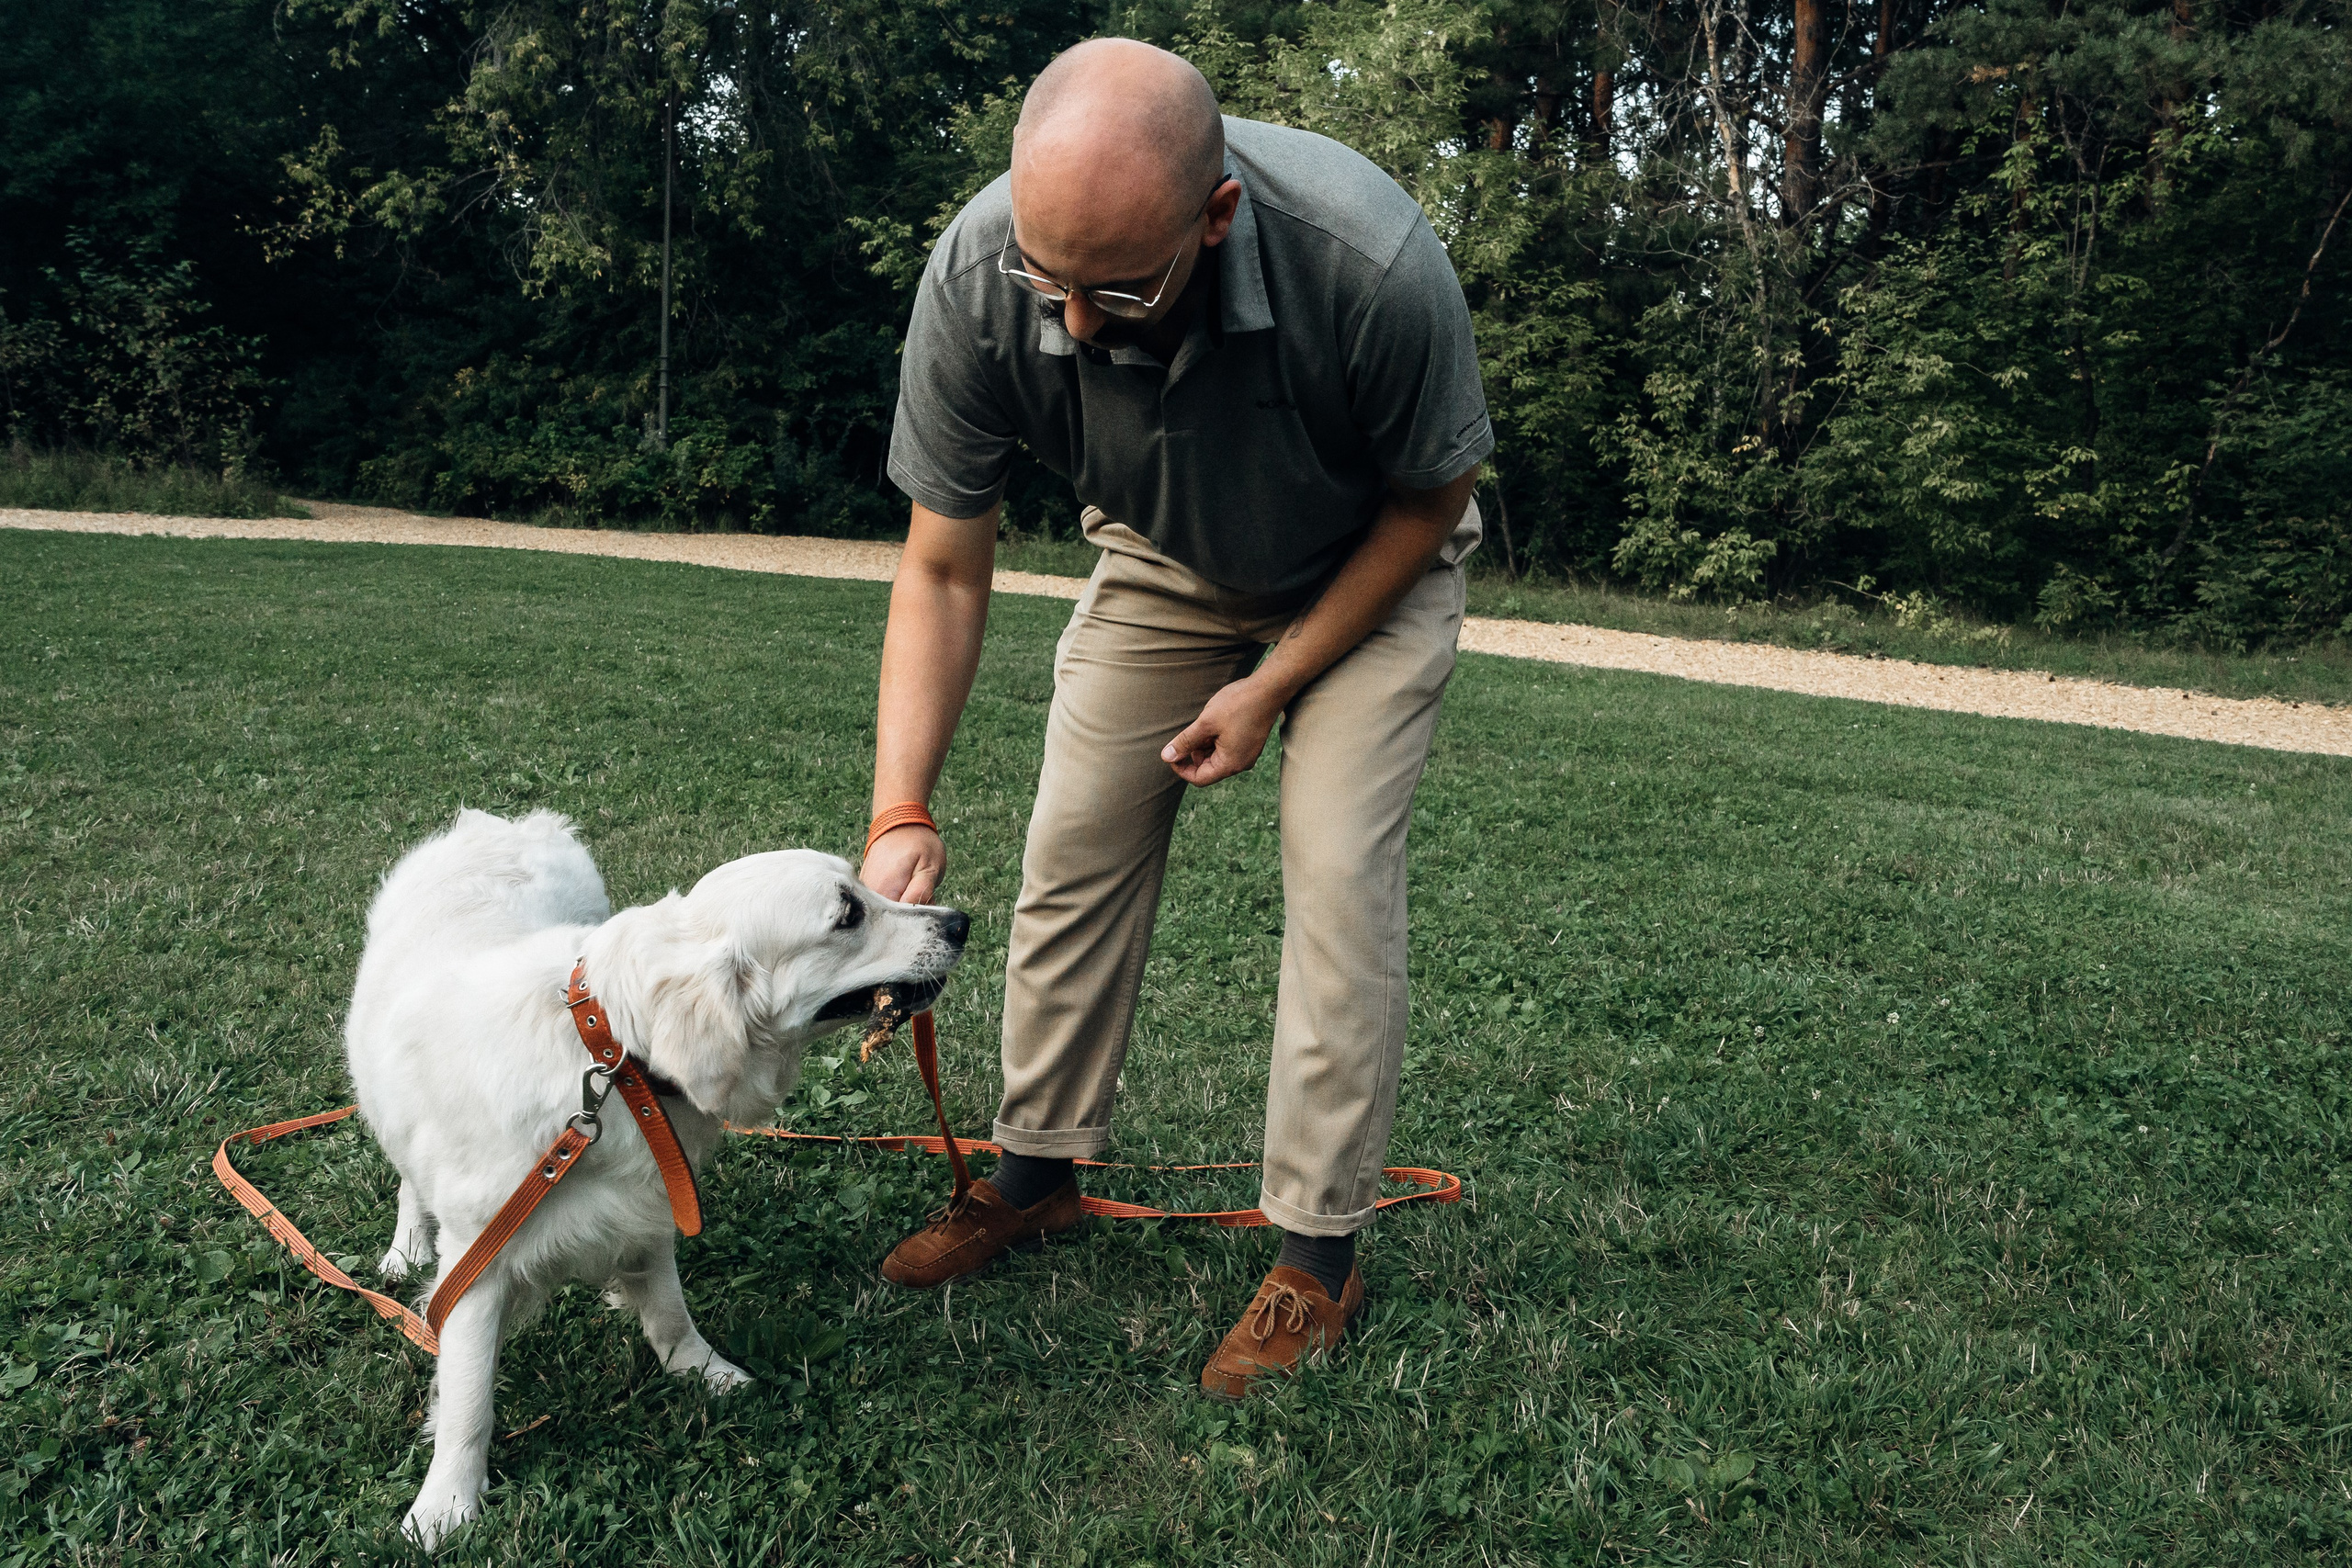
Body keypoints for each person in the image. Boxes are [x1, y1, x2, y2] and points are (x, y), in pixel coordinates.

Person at [858, 35, 1491, 1400]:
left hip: (1370, 569)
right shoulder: (978, 275)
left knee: (1337, 875)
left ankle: (1317, 1255)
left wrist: (1271, 685)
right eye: (1054, 284)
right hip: (1164, 555)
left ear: (1218, 216)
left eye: (1123, 289)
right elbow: (943, 566)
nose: (1080, 327)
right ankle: (1034, 1177)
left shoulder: (1370, 261)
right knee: (1070, 848)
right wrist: (900, 807)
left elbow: (1431, 500)